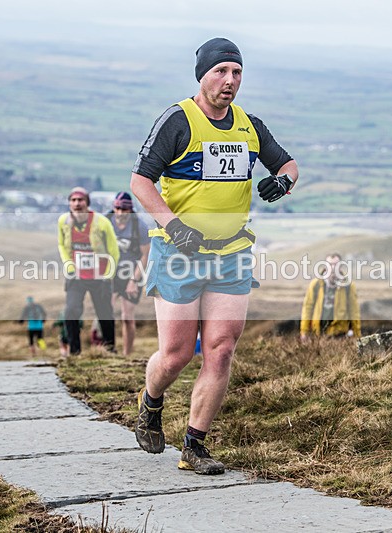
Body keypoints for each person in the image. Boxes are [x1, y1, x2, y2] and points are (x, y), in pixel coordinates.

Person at [130, 37, 298, 475]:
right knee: (176, 355)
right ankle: (151, 402)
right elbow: (141, 182)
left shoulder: (249, 126)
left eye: (237, 72)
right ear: (202, 75)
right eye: (221, 71)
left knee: (221, 350)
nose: (230, 80)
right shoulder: (178, 121)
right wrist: (174, 226)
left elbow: (288, 165)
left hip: (231, 253)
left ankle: (194, 446)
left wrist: (282, 182)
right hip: (179, 252)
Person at [57, 186, 120, 355]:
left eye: (80, 200)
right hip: (76, 275)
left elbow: (114, 251)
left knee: (104, 313)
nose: (77, 204)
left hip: (100, 276)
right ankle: (74, 352)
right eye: (73, 200)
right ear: (69, 203)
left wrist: (108, 276)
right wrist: (69, 265)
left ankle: (110, 349)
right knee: (71, 311)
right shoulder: (63, 221)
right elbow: (61, 245)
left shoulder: (102, 222)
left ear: (87, 203)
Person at [107, 191, 151, 355]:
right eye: (117, 209)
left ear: (130, 210)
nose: (120, 213)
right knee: (105, 313)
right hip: (111, 273)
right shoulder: (106, 221)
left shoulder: (140, 226)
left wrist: (133, 281)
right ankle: (107, 350)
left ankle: (127, 353)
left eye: (124, 209)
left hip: (132, 273)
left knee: (127, 316)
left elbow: (145, 255)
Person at [300, 253, 361, 341]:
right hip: (318, 334)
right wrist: (304, 331)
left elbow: (354, 311)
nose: (332, 267)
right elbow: (307, 308)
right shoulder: (316, 284)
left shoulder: (348, 286)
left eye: (336, 264)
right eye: (330, 264)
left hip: (340, 335)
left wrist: (357, 334)